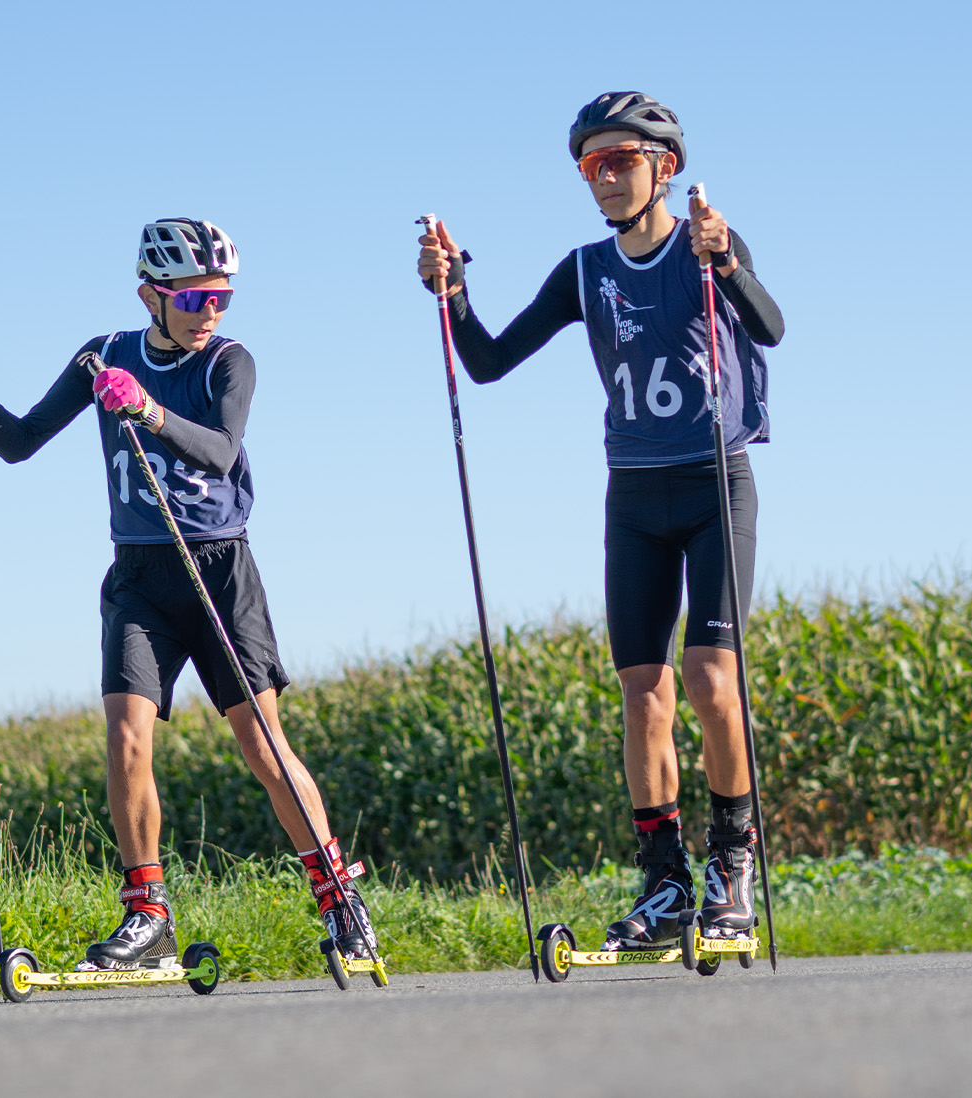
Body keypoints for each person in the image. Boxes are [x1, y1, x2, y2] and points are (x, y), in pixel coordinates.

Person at [0, 218, 376, 969]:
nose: (211, 313)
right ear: (151, 295)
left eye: (222, 297)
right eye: (196, 298)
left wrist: (146, 410)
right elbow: (19, 442)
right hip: (139, 574)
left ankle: (340, 901)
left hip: (221, 574)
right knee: (127, 736)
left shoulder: (231, 362)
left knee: (263, 748)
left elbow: (222, 451)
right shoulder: (101, 356)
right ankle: (149, 915)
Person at [415, 93, 786, 945]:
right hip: (633, 493)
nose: (608, 177)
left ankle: (733, 869)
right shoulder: (585, 270)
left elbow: (771, 327)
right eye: (593, 165)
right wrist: (454, 290)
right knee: (642, 693)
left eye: (623, 160)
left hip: (713, 483)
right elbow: (489, 362)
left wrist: (726, 263)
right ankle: (666, 886)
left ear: (665, 167)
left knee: (709, 681)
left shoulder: (705, 246)